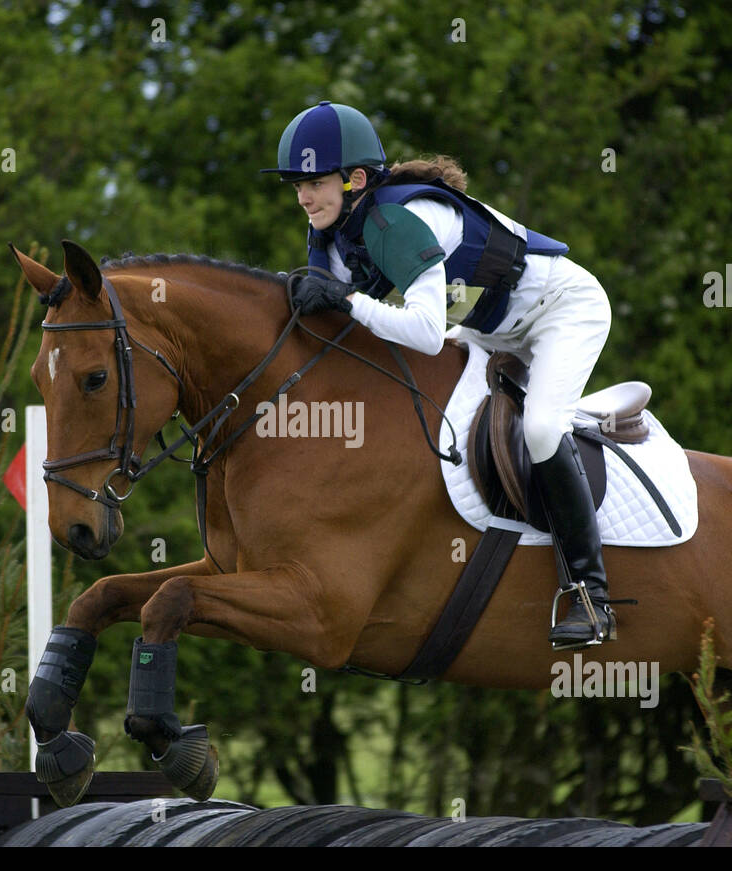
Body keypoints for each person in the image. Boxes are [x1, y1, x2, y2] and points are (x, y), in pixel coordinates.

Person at [261, 101, 615, 648]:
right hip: (487, 328)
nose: (304, 197)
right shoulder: (332, 230)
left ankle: (591, 596)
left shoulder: (398, 220)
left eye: (314, 183)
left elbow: (423, 331)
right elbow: (329, 328)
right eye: (296, 185)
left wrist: (348, 299)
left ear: (355, 179)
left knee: (543, 429)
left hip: (562, 309)